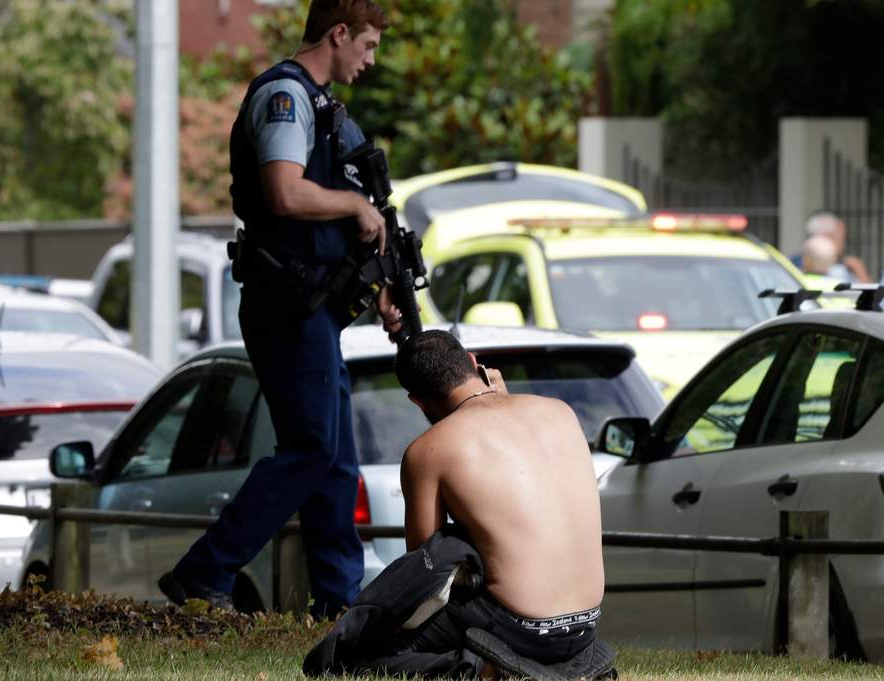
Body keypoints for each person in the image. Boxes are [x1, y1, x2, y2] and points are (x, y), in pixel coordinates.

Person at [158, 0, 399, 618]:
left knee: (336, 457)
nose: (371, 61)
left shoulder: (325, 109)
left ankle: (338, 603)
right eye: (368, 46)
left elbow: (349, 212)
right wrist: (353, 208)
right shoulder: (285, 98)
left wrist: (383, 282)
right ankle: (205, 572)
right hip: (285, 303)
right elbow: (285, 193)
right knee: (312, 449)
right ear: (338, 33)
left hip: (312, 306)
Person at [303, 330, 614, 678]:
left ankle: (482, 669)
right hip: (586, 627)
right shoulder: (560, 412)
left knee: (351, 658)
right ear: (472, 362)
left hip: (520, 629)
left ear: (417, 401)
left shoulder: (429, 450)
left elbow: (425, 567)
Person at [791, 212, 872, 284]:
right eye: (840, 236)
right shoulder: (796, 265)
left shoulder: (846, 265)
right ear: (826, 237)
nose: (844, 242)